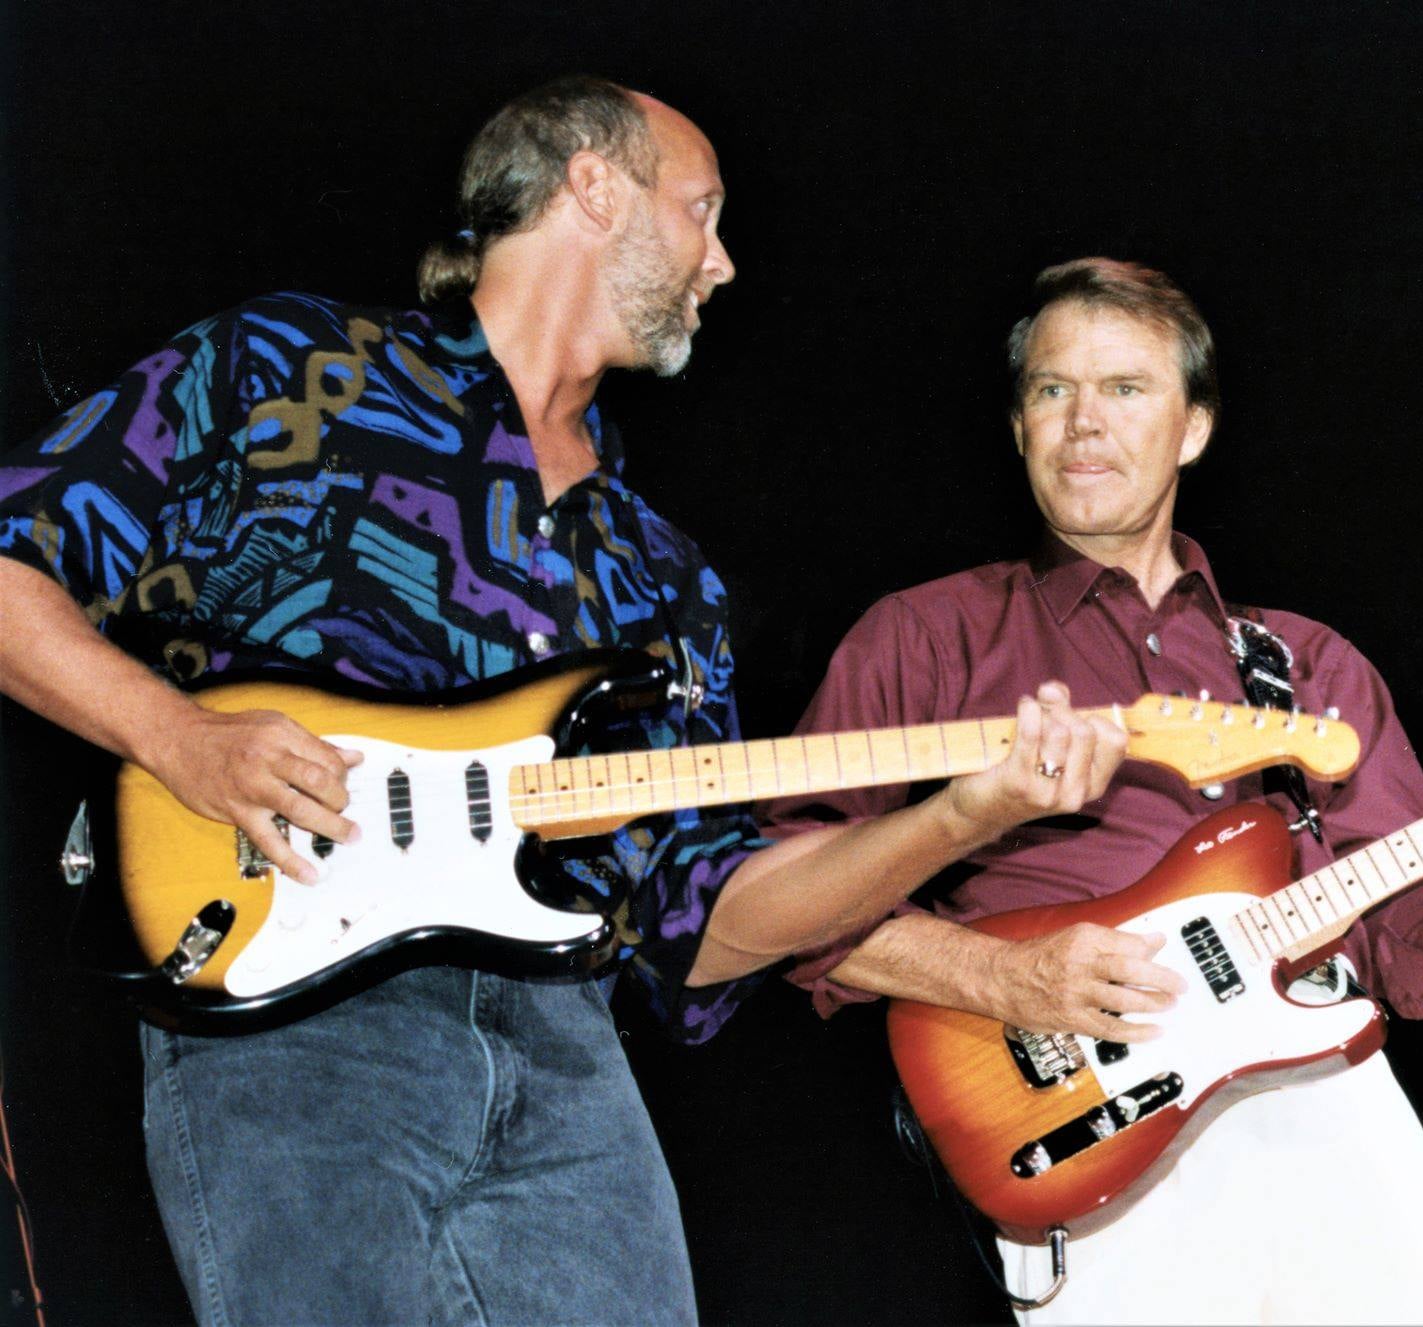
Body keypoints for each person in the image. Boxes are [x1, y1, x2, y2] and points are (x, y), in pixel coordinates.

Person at [0, 79, 1120, 1326]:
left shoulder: (664, 576)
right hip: (297, 1027)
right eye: (702, 212)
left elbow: (708, 915)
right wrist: (179, 738)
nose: (724, 261)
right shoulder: (288, 373)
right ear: (594, 185)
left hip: (568, 1057)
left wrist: (961, 816)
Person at [760, 258, 1423, 1325]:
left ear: (1192, 428)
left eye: (1125, 390)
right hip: (1094, 1124)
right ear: (1016, 427)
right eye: (1051, 391)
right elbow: (787, 897)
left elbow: (1406, 950)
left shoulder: (1305, 666)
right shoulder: (925, 635)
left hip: (1326, 1102)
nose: (1082, 423)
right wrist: (1001, 979)